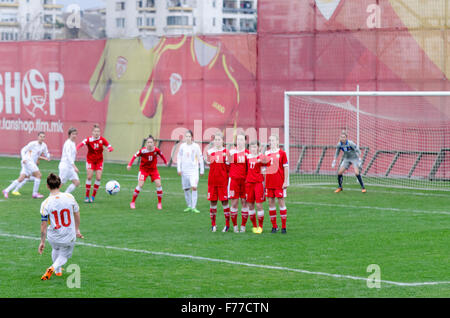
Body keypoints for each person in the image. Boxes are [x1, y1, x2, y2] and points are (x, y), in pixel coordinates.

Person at [39, 173, 83, 280]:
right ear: (60, 185)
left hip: (53, 236)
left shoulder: (45, 203)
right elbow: (77, 214)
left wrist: (42, 242)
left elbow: (43, 225)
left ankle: (58, 271)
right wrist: (77, 230)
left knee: (56, 248)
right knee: (64, 255)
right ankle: (52, 268)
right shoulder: (69, 197)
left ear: (47, 186)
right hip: (68, 236)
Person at [3, 132, 50, 199]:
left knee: (22, 178)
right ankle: (35, 194)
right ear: (38, 137)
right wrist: (23, 158)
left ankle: (6, 190)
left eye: (43, 137)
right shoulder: (33, 143)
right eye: (40, 136)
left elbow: (46, 152)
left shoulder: (44, 145)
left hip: (30, 163)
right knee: (38, 175)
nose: (42, 138)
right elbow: (23, 150)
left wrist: (48, 156)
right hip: (28, 161)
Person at [127, 135, 168, 210]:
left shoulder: (156, 150)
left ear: (153, 143)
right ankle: (132, 202)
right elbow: (134, 156)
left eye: (151, 142)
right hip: (144, 170)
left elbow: (161, 155)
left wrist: (165, 162)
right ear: (146, 143)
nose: (149, 144)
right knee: (140, 185)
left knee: (159, 184)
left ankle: (159, 203)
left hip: (153, 170)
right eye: (148, 142)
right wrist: (130, 164)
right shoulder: (142, 150)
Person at [76, 124, 114, 203]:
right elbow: (81, 144)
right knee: (89, 177)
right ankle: (87, 196)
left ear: (100, 133)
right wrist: (76, 149)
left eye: (98, 131)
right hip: (90, 160)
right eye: (95, 131)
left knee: (98, 178)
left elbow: (110, 146)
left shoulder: (102, 140)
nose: (96, 133)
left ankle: (93, 196)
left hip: (99, 161)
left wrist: (110, 149)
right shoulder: (89, 140)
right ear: (92, 132)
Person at [206, 132, 231, 232]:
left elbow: (229, 167)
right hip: (212, 182)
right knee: (213, 202)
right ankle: (213, 224)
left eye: (219, 140)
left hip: (223, 182)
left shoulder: (226, 152)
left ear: (222, 141)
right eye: (215, 140)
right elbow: (210, 166)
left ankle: (227, 224)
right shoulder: (209, 152)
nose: (217, 141)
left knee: (224, 202)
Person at [264, 135, 289, 234]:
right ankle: (274, 226)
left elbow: (286, 167)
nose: (271, 142)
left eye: (273, 140)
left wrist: (285, 181)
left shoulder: (282, 153)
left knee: (281, 203)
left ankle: (284, 227)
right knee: (270, 203)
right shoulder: (266, 153)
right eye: (269, 140)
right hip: (269, 183)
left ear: (277, 142)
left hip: (279, 183)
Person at [177, 130, 204, 213]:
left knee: (194, 187)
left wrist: (202, 169)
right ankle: (189, 205)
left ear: (192, 137)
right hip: (185, 171)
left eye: (189, 136)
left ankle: (194, 207)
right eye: (186, 136)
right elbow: (179, 157)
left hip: (194, 171)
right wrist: (179, 168)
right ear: (185, 137)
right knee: (186, 189)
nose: (188, 138)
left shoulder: (196, 146)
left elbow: (200, 158)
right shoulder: (182, 146)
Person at [228, 133, 249, 233]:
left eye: (242, 140)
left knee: (244, 202)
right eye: (238, 140)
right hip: (234, 181)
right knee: (234, 202)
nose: (240, 142)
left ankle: (243, 226)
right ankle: (235, 226)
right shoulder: (231, 152)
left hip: (245, 182)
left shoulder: (248, 153)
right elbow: (226, 165)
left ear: (245, 141)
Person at [244, 141, 266, 234]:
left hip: (258, 183)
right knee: (250, 205)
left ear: (258, 148)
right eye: (252, 147)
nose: (253, 148)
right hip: (249, 183)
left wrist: (264, 184)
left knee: (259, 205)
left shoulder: (261, 157)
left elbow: (265, 169)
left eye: (255, 147)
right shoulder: (247, 158)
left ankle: (260, 226)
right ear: (249, 149)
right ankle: (254, 226)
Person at [59, 128, 80, 194]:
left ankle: (66, 194)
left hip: (70, 167)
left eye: (75, 134)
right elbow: (68, 156)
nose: (74, 135)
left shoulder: (73, 143)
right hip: (65, 166)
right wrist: (74, 166)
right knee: (60, 183)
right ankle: (51, 196)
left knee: (76, 182)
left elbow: (71, 155)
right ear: (69, 135)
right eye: (73, 134)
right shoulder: (68, 143)